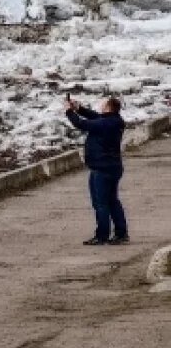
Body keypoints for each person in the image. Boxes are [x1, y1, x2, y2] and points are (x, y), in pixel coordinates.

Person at [65, 95, 128, 246]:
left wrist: (69, 112)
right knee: (112, 200)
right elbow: (95, 117)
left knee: (100, 203)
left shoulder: (105, 123)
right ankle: (121, 233)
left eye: (104, 104)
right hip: (112, 167)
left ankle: (102, 236)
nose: (101, 105)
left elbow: (80, 124)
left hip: (101, 168)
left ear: (109, 107)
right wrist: (78, 108)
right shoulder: (115, 121)